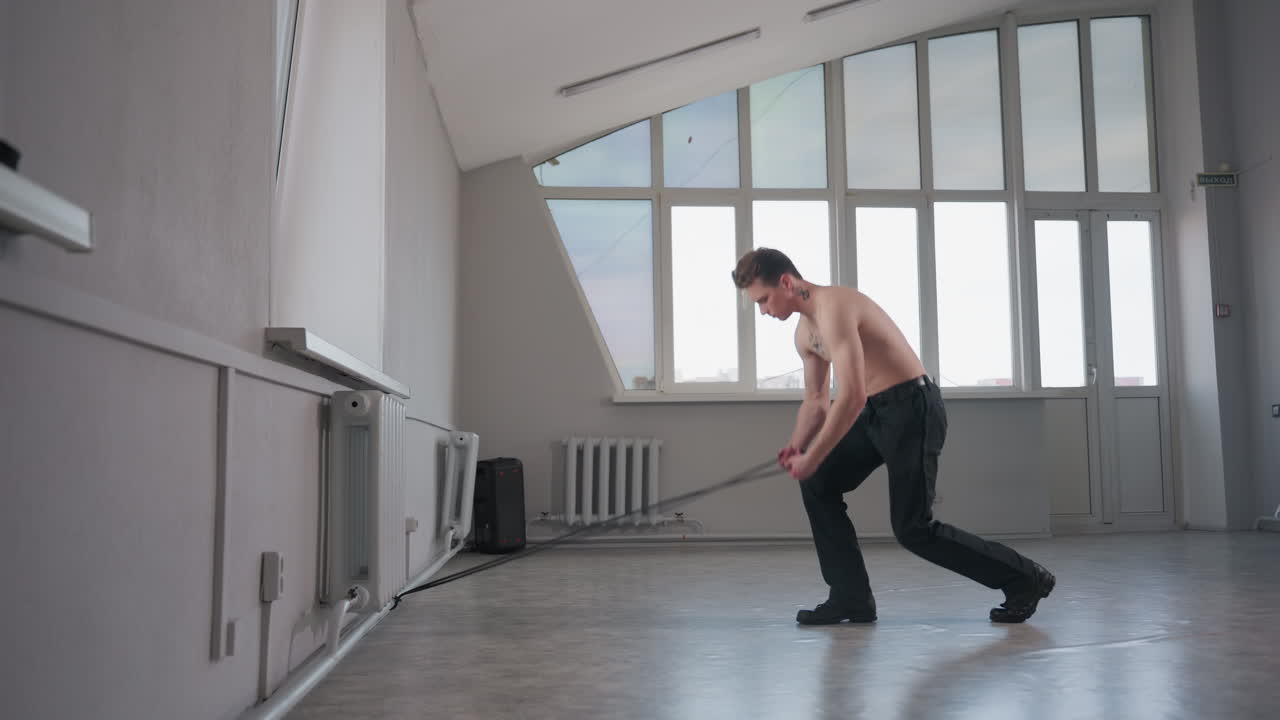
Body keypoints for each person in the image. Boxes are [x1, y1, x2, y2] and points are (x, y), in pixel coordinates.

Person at [731, 247, 1055, 625]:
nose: (763, 311)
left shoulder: (835, 306)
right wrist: (797, 446)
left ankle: (1026, 579)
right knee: (818, 482)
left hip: (913, 408)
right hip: (875, 413)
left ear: (786, 282)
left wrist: (813, 456)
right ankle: (850, 598)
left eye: (764, 300)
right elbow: (816, 400)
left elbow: (850, 396)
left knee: (913, 528)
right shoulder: (805, 334)